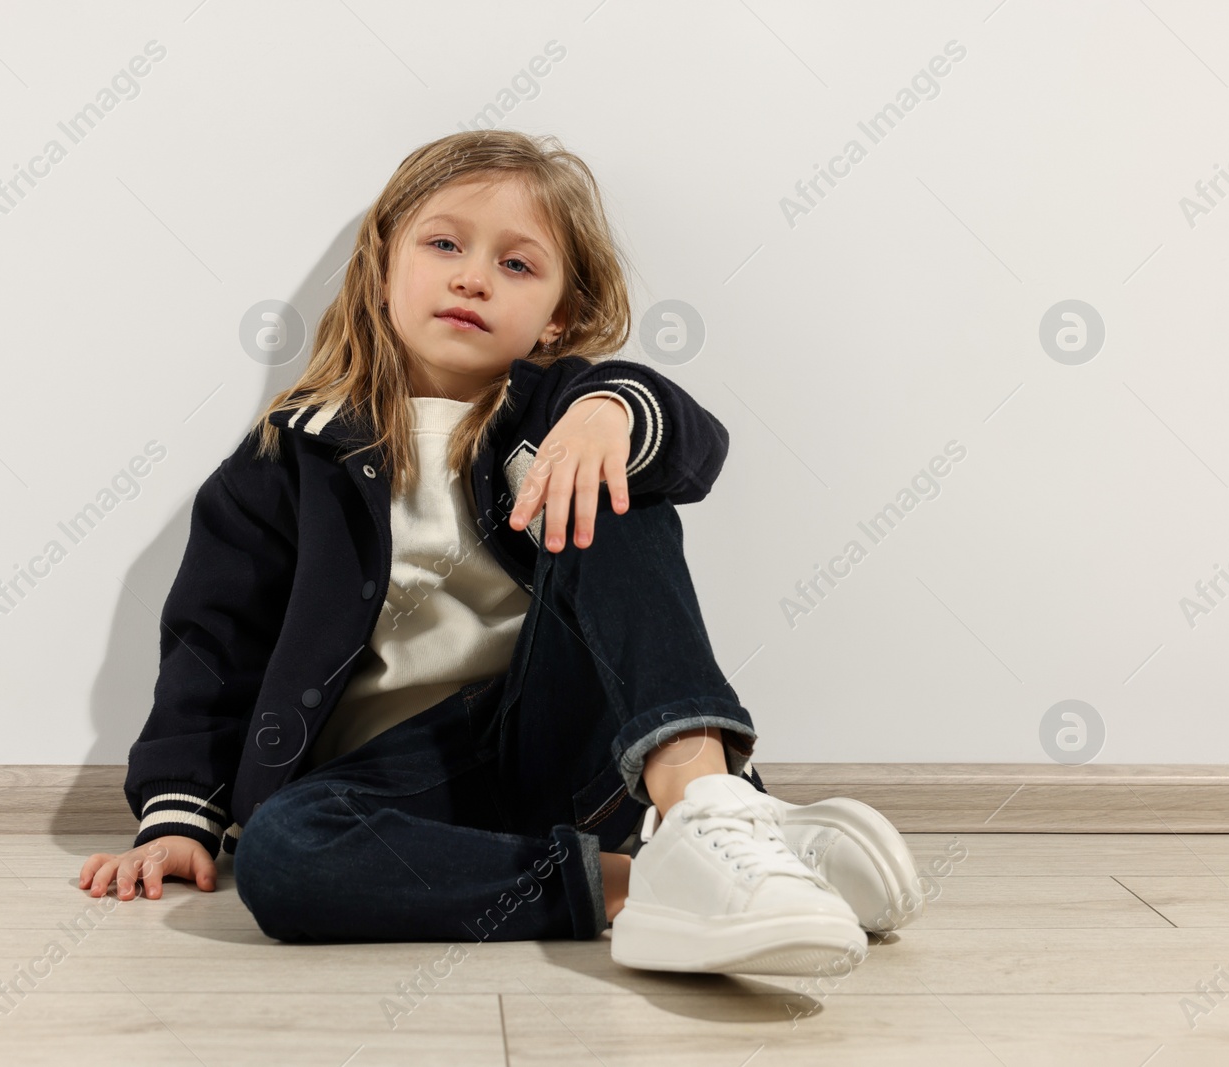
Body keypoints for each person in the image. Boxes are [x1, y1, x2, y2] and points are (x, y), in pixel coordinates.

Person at [79, 129, 923, 975]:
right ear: (382, 268)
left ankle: (706, 803)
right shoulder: (286, 460)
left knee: (609, 479)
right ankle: (656, 882)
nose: (473, 276)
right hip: (397, 784)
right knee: (279, 854)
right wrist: (178, 816)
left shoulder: (562, 407)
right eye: (443, 244)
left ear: (557, 314)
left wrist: (610, 411)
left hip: (570, 742)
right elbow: (212, 650)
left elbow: (693, 445)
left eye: (517, 265)